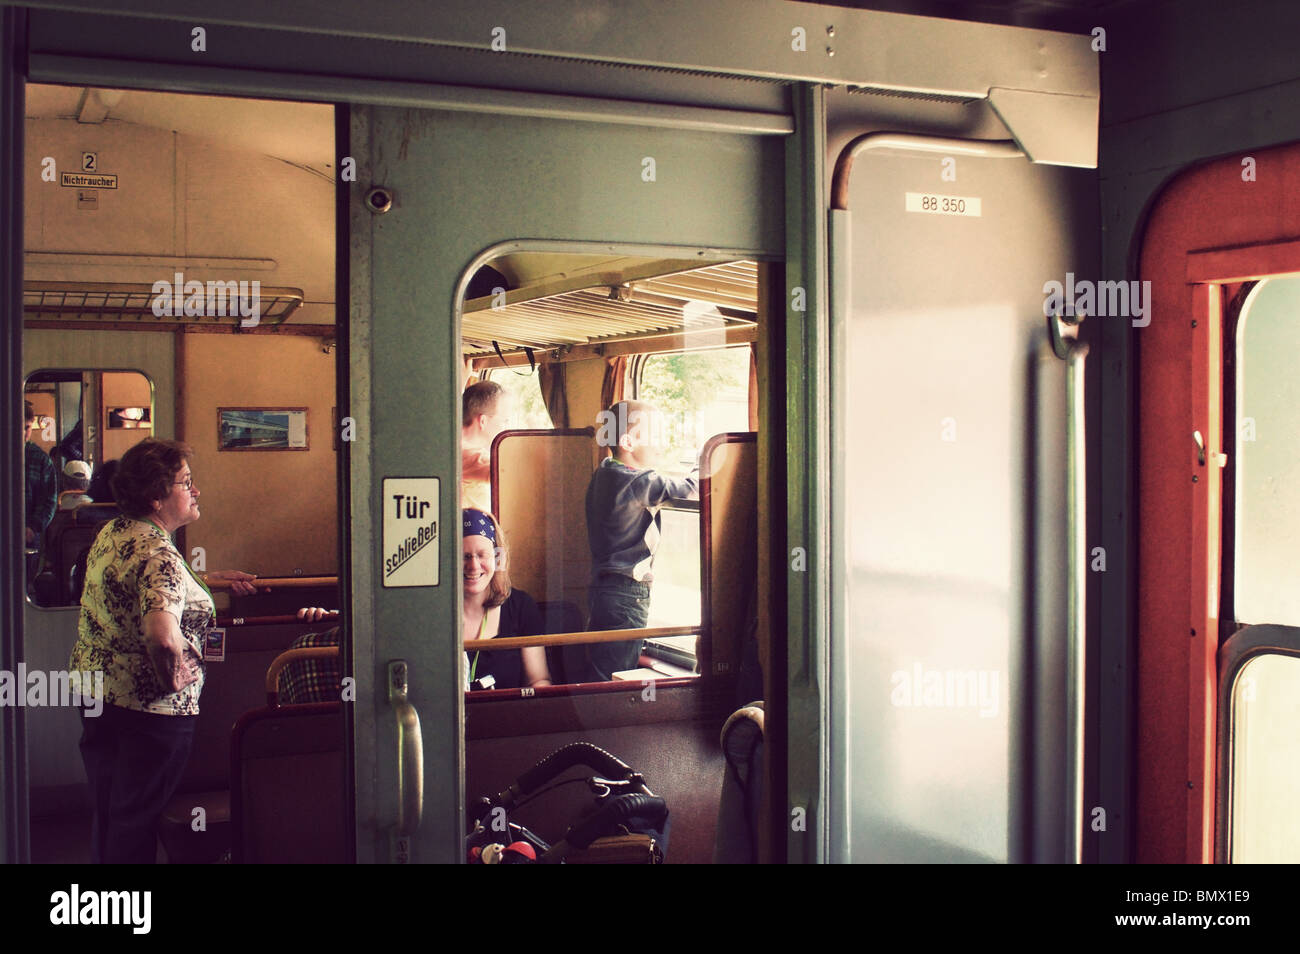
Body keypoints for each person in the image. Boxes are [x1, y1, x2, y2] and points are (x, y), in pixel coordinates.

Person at [69, 439, 260, 863]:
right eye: (186, 483)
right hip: (148, 712)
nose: (195, 491)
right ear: (157, 496)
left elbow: (136, 581)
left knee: (111, 812)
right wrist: (173, 676)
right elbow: (161, 634)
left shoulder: (116, 531)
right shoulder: (162, 558)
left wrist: (205, 579)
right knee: (136, 820)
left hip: (97, 695)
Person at [583, 400, 698, 682]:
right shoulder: (640, 481)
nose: (662, 444)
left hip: (602, 591)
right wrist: (701, 464)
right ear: (627, 442)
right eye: (655, 435)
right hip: (628, 594)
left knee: (602, 668)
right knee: (617, 673)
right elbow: (693, 488)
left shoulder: (603, 473)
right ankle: (608, 723)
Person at [462, 508, 550, 690]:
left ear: (497, 557)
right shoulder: (433, 612)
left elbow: (538, 680)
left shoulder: (521, 606)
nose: (473, 566)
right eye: (464, 556)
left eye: (481, 555)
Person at [461, 381, 511, 512]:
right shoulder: (468, 454)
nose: (506, 427)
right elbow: (509, 473)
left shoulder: (459, 447)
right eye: (504, 421)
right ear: (483, 421)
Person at [23, 400, 57, 553]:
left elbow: (48, 499)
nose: (23, 433)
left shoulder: (40, 459)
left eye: (27, 428)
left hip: (28, 531)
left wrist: (33, 527)